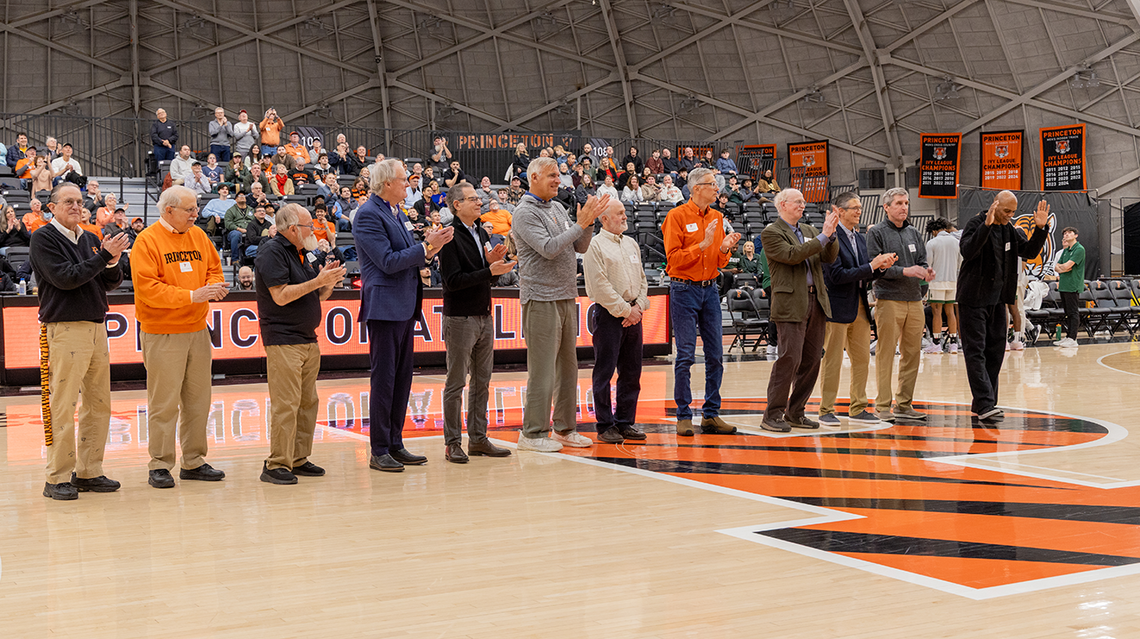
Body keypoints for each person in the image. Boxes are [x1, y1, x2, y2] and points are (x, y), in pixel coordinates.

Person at [30, 183, 129, 500]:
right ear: (52, 206)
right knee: (62, 404)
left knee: (99, 404)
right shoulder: (43, 238)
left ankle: (88, 471)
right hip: (63, 327)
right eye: (68, 201)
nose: (76, 205)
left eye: (79, 201)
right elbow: (66, 278)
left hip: (97, 325)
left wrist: (112, 261)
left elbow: (110, 281)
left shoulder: (88, 237)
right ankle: (56, 476)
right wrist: (103, 256)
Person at [356, 159, 454, 472]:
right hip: (384, 306)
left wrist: (430, 250)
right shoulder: (369, 214)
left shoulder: (394, 212)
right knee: (384, 379)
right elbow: (386, 261)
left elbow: (406, 257)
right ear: (386, 183)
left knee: (401, 379)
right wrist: (426, 247)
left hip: (402, 305)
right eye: (403, 180)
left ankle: (395, 442)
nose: (408, 184)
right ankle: (379, 448)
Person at [130, 185, 229, 488]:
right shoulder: (146, 241)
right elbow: (149, 290)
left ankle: (194, 460)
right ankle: (159, 464)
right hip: (163, 332)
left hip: (197, 330)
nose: (196, 214)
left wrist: (213, 287)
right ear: (168, 210)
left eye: (196, 208)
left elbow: (214, 269)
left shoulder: (198, 236)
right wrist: (192, 295)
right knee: (164, 403)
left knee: (199, 401)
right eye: (190, 209)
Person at [512, 157, 609, 452]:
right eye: (552, 175)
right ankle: (532, 433)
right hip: (540, 297)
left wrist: (588, 224)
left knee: (568, 368)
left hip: (566, 294)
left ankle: (564, 429)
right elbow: (550, 249)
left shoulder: (556, 207)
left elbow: (579, 246)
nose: (558, 180)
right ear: (534, 177)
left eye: (558, 175)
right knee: (542, 370)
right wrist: (579, 224)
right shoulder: (523, 213)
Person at [254, 204, 346, 484]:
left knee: (308, 403)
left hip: (307, 338)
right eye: (309, 226)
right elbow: (281, 296)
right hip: (283, 339)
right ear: (293, 228)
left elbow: (313, 297)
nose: (314, 231)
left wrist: (326, 283)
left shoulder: (301, 254)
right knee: (286, 403)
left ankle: (298, 458)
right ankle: (276, 463)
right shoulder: (272, 251)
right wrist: (317, 280)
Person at [436, 182, 516, 463]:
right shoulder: (448, 235)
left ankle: (478, 439)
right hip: (460, 317)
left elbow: (484, 276)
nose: (480, 203)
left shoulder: (481, 231)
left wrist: (495, 269)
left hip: (484, 314)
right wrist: (487, 271)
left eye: (479, 198)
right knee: (456, 382)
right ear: (457, 204)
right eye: (473, 199)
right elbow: (453, 282)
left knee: (483, 381)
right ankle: (452, 442)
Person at [661, 167, 741, 436]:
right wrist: (703, 244)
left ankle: (711, 414)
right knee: (684, 355)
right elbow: (673, 260)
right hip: (683, 290)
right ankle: (683, 415)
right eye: (711, 184)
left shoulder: (718, 216)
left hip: (710, 290)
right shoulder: (676, 216)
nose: (717, 188)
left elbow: (719, 262)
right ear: (696, 188)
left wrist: (723, 248)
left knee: (716, 355)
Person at [958, 192, 1050, 420]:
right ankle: (987, 404)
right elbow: (967, 251)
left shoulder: (1009, 229)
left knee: (996, 352)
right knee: (975, 351)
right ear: (995, 205)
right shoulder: (976, 223)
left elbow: (1028, 252)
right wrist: (986, 227)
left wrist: (1040, 230)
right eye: (1007, 211)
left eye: (1013, 212)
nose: (1010, 216)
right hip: (973, 298)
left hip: (999, 299)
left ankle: (983, 404)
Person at [756, 189, 840, 432]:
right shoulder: (771, 232)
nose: (803, 205)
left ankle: (796, 412)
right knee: (789, 358)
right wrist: (823, 236)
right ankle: (772, 414)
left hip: (816, 301)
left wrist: (831, 236)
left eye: (804, 202)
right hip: (791, 303)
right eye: (798, 201)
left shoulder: (810, 231)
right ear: (783, 204)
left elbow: (829, 257)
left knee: (813, 360)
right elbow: (792, 255)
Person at [818, 192, 896, 426]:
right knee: (832, 360)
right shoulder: (831, 237)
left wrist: (880, 268)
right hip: (836, 306)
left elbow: (865, 271)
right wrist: (871, 266)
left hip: (860, 305)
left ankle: (858, 407)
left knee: (861, 360)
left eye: (859, 207)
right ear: (839, 211)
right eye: (854, 208)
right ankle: (826, 409)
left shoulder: (861, 238)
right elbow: (836, 276)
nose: (859, 211)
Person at [583, 199, 650, 444]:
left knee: (632, 372)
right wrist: (625, 311)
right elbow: (599, 286)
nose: (625, 216)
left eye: (624, 212)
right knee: (605, 371)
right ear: (605, 219)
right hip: (610, 316)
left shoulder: (631, 243)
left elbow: (643, 280)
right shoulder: (594, 245)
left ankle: (625, 422)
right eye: (619, 213)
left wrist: (639, 306)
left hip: (634, 314)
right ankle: (604, 424)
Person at [866, 187, 934, 422]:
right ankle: (883, 405)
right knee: (886, 354)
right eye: (898, 203)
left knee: (913, 354)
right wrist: (906, 270)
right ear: (886, 207)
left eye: (906, 203)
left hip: (914, 300)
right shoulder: (876, 233)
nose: (904, 207)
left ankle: (904, 404)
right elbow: (875, 268)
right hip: (888, 299)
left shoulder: (914, 232)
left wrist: (925, 273)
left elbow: (922, 261)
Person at [924, 218, 962, 354]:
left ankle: (936, 344)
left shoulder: (932, 243)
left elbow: (928, 264)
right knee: (951, 311)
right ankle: (953, 344)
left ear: (934, 230)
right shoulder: (956, 242)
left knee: (936, 312)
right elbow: (960, 263)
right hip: (953, 281)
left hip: (936, 282)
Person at [1054, 226, 1085, 348]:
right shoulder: (1066, 250)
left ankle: (1073, 338)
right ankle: (1067, 337)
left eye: (1069, 233)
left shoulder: (1079, 249)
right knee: (1067, 312)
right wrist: (1062, 268)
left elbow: (1067, 266)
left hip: (1073, 284)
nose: (1066, 235)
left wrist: (1063, 268)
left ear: (1076, 235)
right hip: (1063, 284)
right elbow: (1057, 266)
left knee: (1073, 312)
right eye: (1064, 233)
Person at [223, 191, 254, 260]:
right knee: (236, 235)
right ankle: (235, 259)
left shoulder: (251, 210)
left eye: (243, 196)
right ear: (236, 199)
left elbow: (255, 221)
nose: (242, 197)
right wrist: (239, 229)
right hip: (236, 230)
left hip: (250, 230)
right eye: (240, 196)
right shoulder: (230, 211)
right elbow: (228, 223)